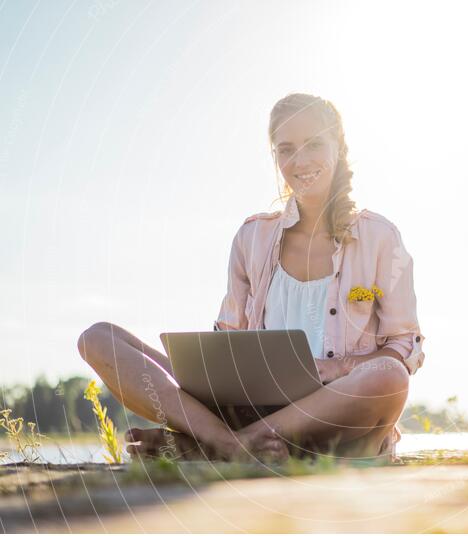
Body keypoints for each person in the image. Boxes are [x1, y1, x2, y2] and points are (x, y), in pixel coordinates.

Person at [77, 93, 425, 463]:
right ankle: (234, 443)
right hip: (247, 402)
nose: (300, 161)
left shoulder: (380, 237)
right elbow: (229, 336)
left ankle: (218, 444)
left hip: (336, 410)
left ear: (338, 147)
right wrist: (213, 367)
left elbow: (404, 347)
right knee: (98, 338)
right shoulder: (252, 237)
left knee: (389, 376)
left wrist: (335, 368)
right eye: (286, 149)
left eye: (314, 145)